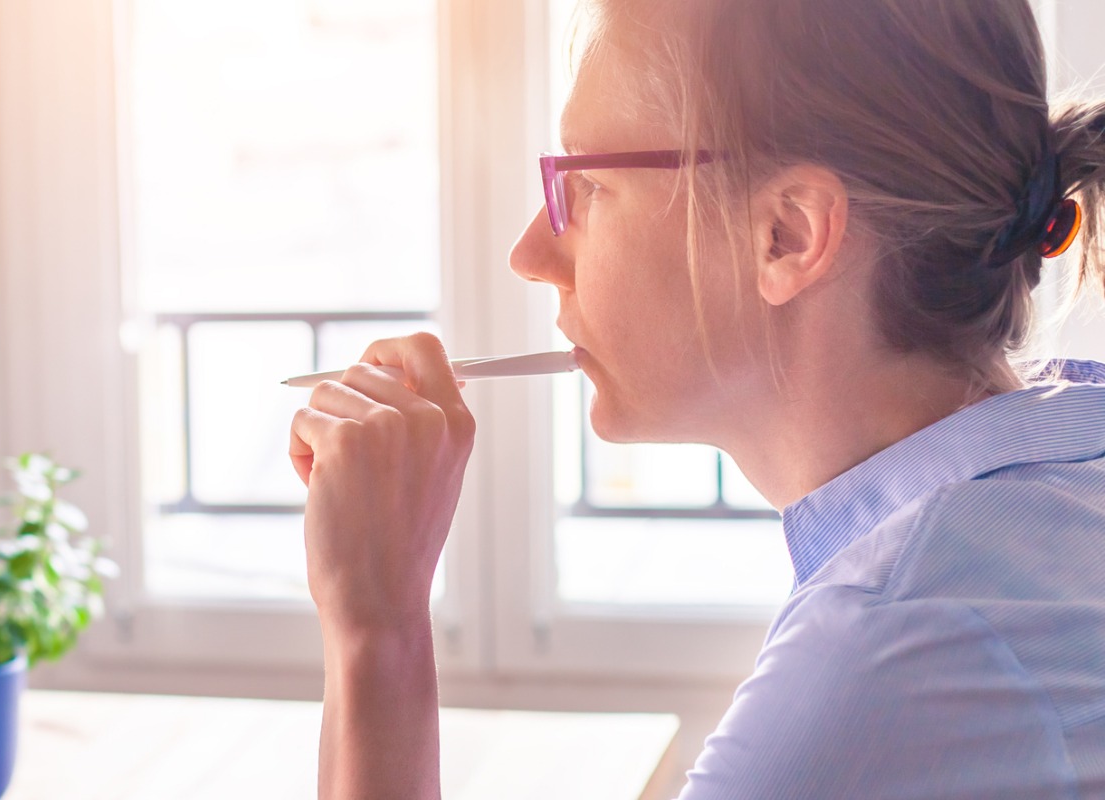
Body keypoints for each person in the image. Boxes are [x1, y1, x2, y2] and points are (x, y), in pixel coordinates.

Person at [288, 0, 1105, 797]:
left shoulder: (890, 647)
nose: (530, 252)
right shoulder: (1063, 479)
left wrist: (377, 628)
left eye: (589, 186)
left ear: (787, 232)